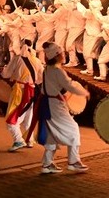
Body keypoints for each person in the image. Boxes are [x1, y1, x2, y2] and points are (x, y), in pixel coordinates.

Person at [28, 42, 90, 174]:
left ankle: (47, 164)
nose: (64, 54)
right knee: (73, 130)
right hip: (55, 106)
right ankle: (73, 161)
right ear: (57, 56)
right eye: (62, 53)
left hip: (48, 105)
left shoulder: (47, 70)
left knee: (51, 136)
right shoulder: (57, 71)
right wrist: (84, 92)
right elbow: (70, 85)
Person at [1, 39, 43, 152]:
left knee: (12, 119)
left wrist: (4, 71)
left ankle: (18, 140)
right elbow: (40, 79)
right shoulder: (37, 61)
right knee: (27, 118)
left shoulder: (17, 59)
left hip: (20, 92)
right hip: (32, 91)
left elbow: (6, 74)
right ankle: (29, 140)